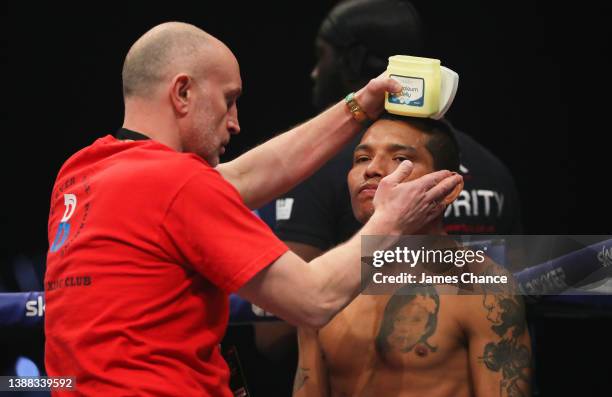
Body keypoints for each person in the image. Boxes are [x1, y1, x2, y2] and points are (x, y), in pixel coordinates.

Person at [43, 22, 462, 396]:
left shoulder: (82, 171)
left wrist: (360, 105)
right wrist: (391, 219)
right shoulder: (178, 183)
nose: (235, 122)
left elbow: (246, 177)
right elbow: (314, 301)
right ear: (183, 92)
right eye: (229, 100)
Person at [294, 114, 531, 397]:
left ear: (449, 188)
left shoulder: (485, 289)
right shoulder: (320, 281)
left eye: (400, 159)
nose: (372, 169)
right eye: (361, 158)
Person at [275, 0, 523, 264]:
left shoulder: (315, 165)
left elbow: (289, 298)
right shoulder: (494, 170)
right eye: (362, 158)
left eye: (322, 54)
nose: (314, 72)